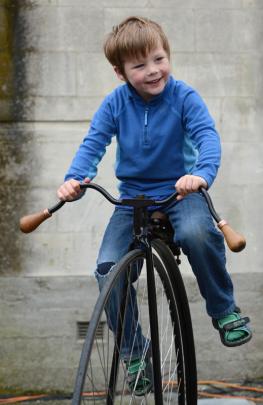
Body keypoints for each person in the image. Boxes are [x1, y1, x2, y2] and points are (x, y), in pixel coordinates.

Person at [57, 16, 252, 395]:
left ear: (168, 55)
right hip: (133, 199)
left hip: (181, 191)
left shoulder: (184, 97)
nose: (153, 71)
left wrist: (201, 174)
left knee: (197, 232)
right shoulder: (115, 103)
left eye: (159, 59)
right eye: (139, 65)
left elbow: (207, 137)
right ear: (120, 72)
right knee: (106, 270)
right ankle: (134, 353)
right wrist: (75, 179)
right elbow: (93, 143)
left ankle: (224, 309)